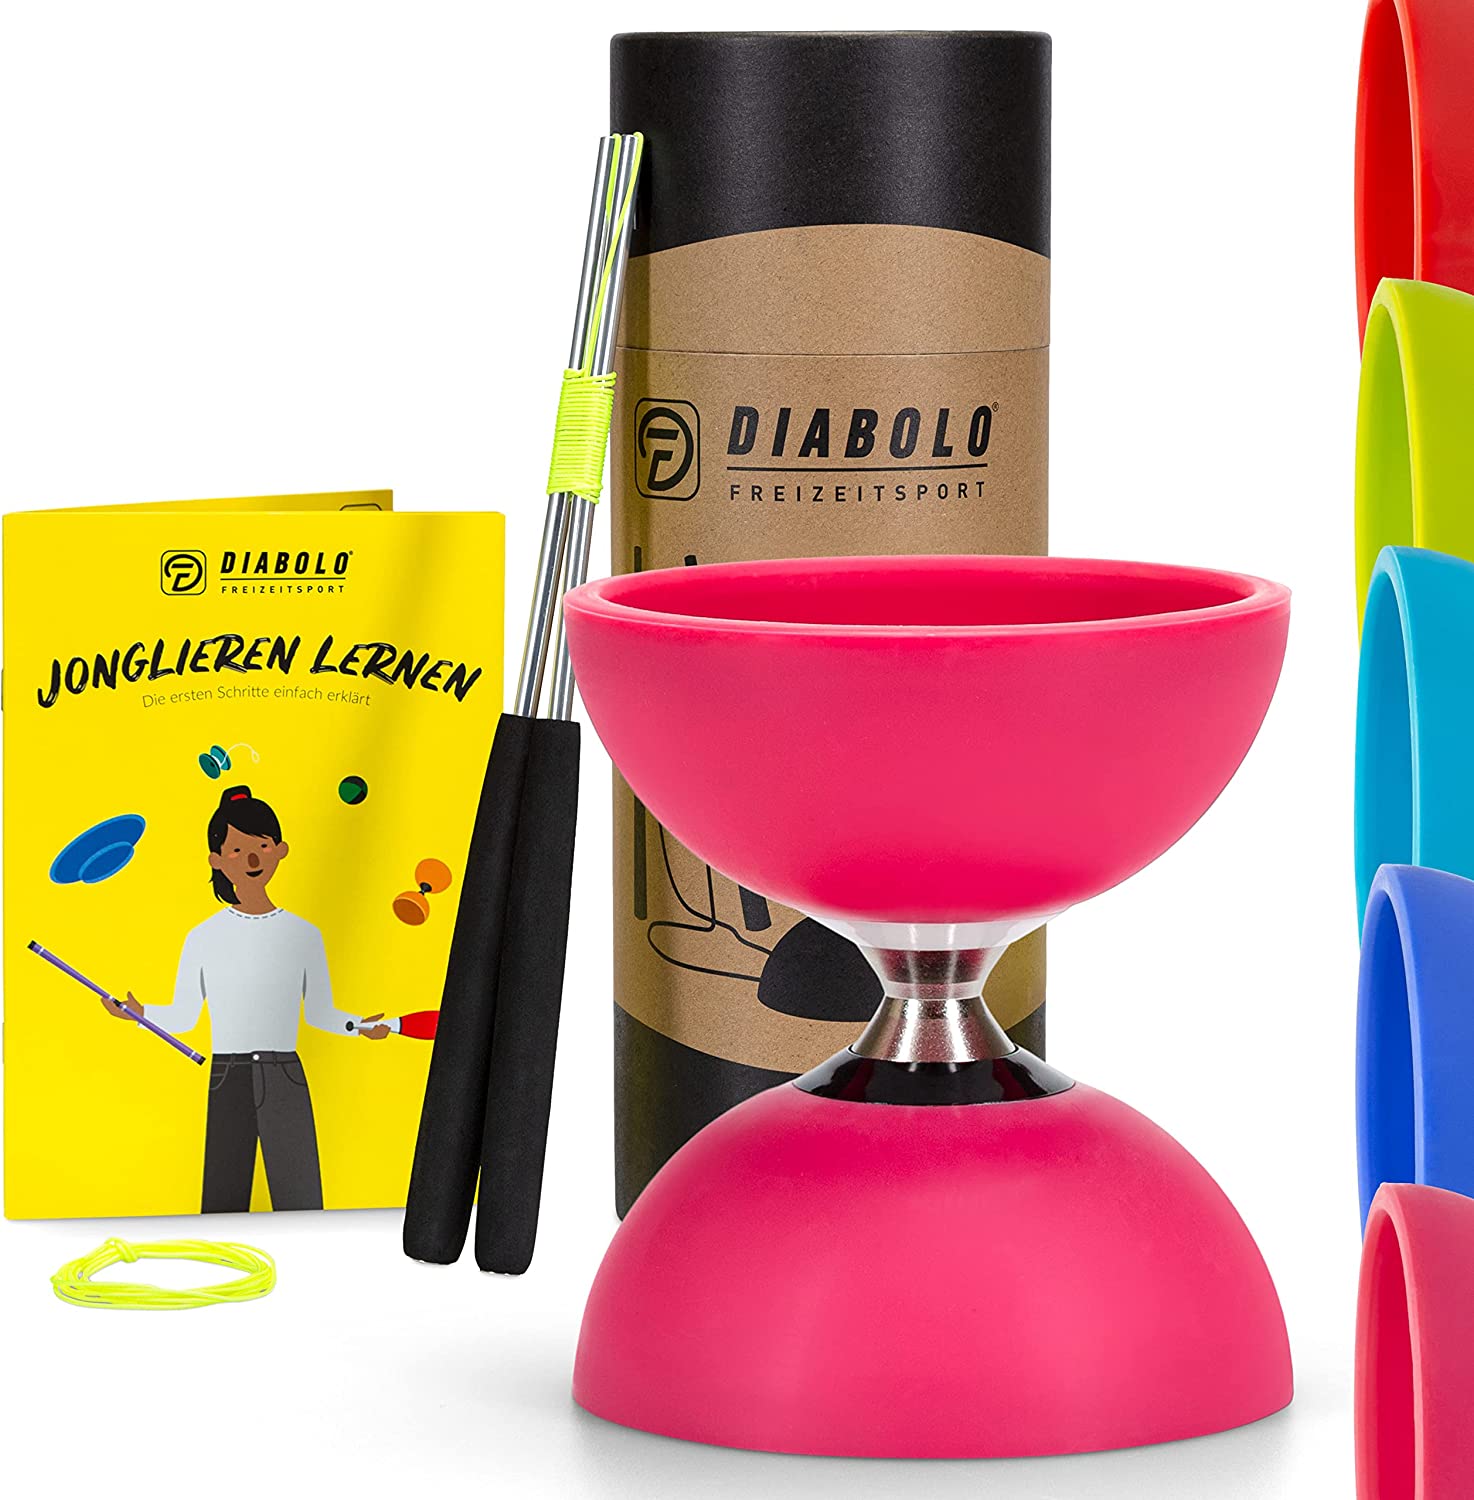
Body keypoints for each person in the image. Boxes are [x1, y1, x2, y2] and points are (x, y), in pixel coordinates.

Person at [103, 784, 394, 1212]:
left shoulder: (304, 935)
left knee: (302, 1204)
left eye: (262, 846)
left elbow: (319, 1013)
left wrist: (358, 1027)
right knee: (222, 1202)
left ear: (280, 850)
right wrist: (140, 1014)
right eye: (238, 850)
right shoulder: (203, 937)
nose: (253, 859)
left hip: (285, 1076)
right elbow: (184, 1016)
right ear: (217, 860)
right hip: (228, 1076)